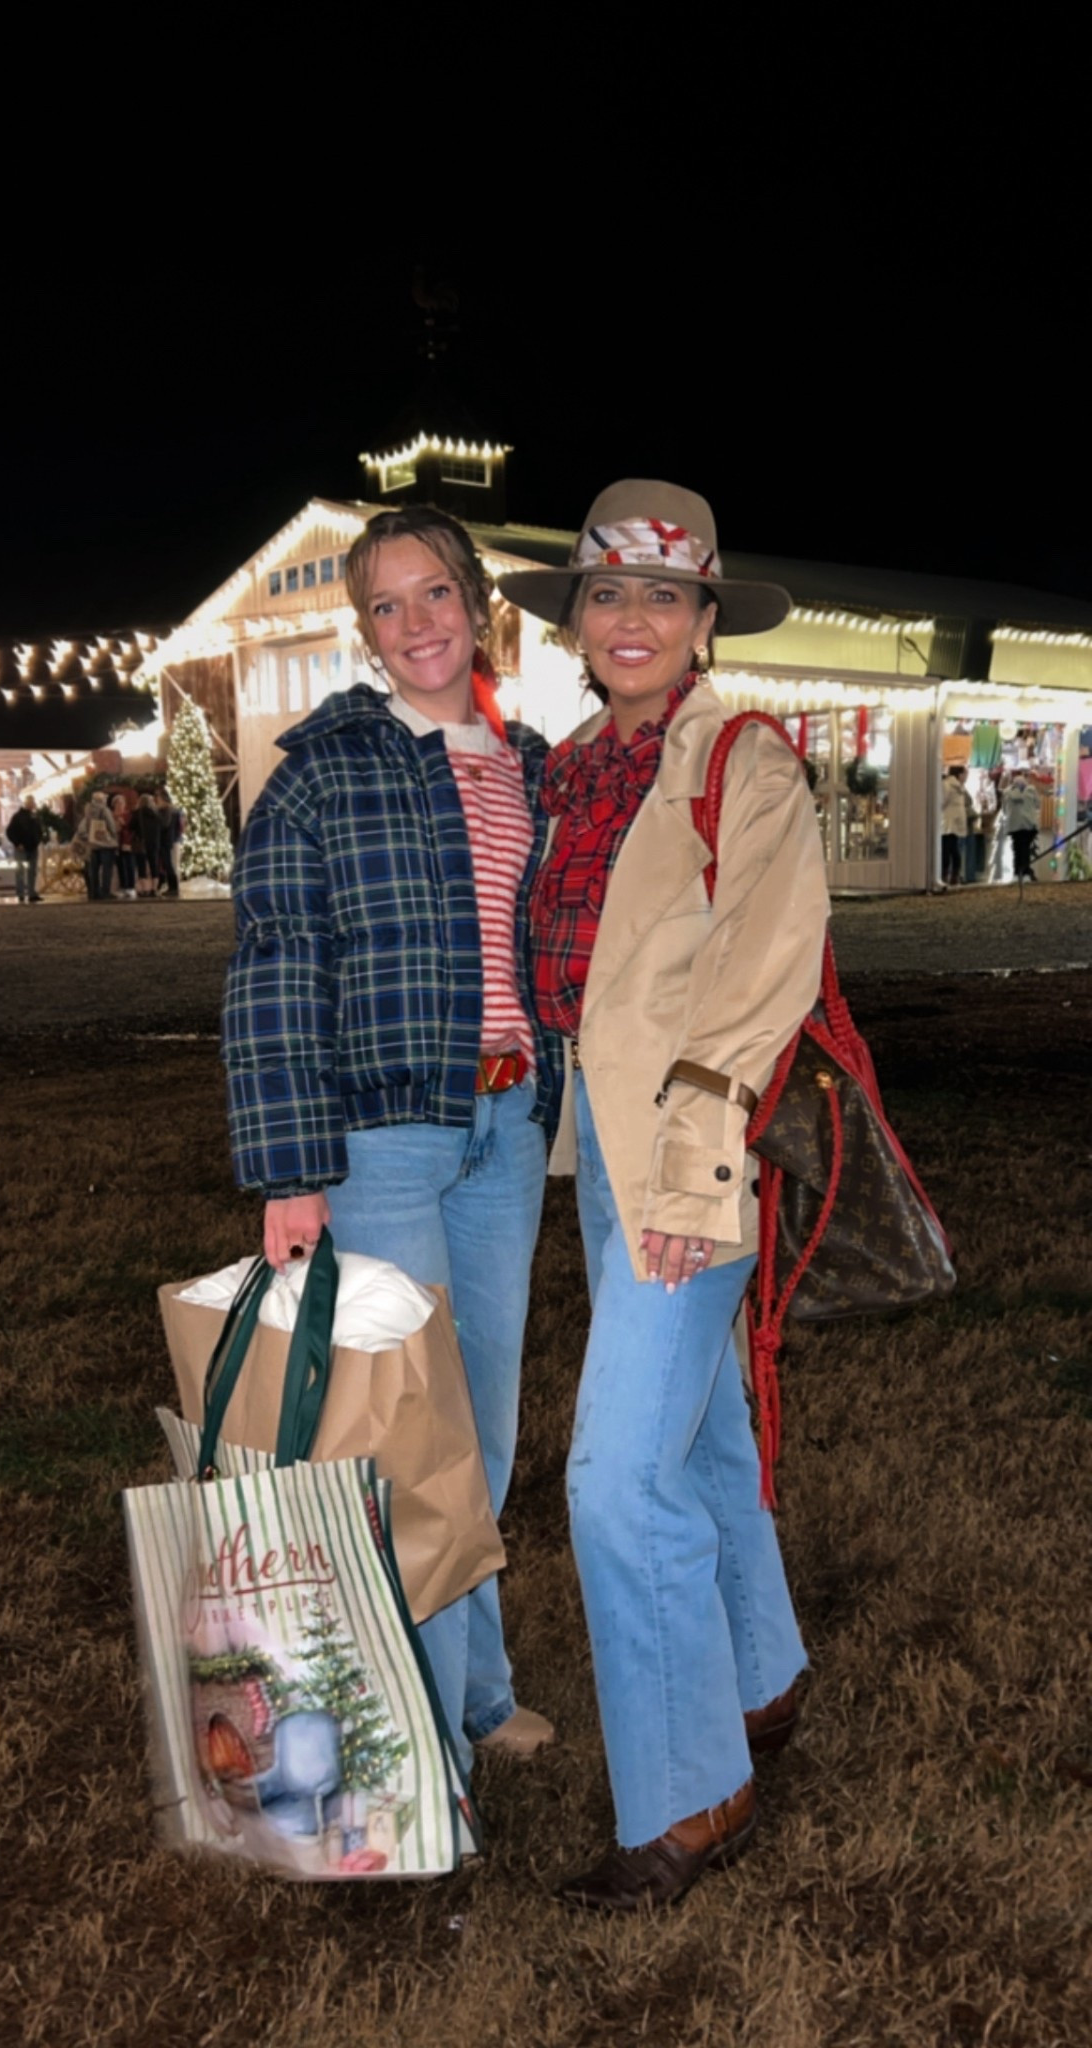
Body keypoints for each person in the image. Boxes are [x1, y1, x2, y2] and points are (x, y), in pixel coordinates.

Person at [498, 480, 830, 1912]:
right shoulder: (572, 769)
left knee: (617, 1477)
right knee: (695, 1436)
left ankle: (694, 1792)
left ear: (703, 620)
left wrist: (696, 1165)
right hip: (601, 1146)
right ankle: (761, 1678)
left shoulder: (743, 762)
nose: (631, 617)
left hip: (689, 1156)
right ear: (578, 619)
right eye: (607, 592)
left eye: (662, 594)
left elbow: (765, 971)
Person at [222, 504, 564, 1789]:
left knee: (483, 1432)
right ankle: (418, 1739)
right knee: (406, 1442)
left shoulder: (532, 764)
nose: (416, 622)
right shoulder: (322, 768)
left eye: (436, 593)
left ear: (476, 602)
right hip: (382, 1144)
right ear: (364, 629)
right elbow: (274, 970)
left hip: (506, 1131)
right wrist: (290, 1170)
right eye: (386, 603)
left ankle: (477, 1693)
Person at [1003, 767, 1041, 881]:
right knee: (1025, 849)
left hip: (1013, 824)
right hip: (1028, 824)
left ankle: (1016, 873)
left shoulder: (1006, 792)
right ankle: (1025, 873)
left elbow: (1004, 810)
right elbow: (1038, 804)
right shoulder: (1031, 790)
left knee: (1017, 849)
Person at [6, 793, 44, 903]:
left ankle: (31, 893)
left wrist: (37, 840)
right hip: (21, 848)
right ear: (26, 803)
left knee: (32, 871)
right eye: (31, 803)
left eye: (33, 802)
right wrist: (17, 843)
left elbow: (39, 830)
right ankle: (21, 894)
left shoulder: (35, 817)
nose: (33, 805)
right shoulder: (18, 817)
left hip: (33, 847)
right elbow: (10, 831)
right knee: (20, 872)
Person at [83, 791, 119, 899]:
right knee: (106, 869)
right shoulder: (104, 810)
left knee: (94, 869)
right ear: (102, 800)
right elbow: (111, 826)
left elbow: (86, 825)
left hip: (93, 843)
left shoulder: (88, 810)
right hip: (105, 843)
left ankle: (95, 892)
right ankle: (105, 891)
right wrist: (114, 836)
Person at [940, 765, 969, 886]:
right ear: (960, 774)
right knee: (953, 849)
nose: (966, 777)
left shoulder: (947, 785)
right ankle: (953, 875)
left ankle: (945, 875)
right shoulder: (958, 787)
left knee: (947, 849)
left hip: (947, 821)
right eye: (965, 774)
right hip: (954, 821)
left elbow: (941, 802)